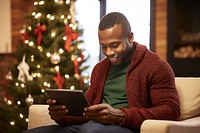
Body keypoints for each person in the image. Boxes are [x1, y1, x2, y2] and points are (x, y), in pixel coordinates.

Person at [23, 12, 180, 133]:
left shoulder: (155, 66)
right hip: (90, 127)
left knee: (90, 131)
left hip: (125, 128)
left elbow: (171, 110)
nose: (109, 52)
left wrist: (121, 115)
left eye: (115, 45)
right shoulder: (100, 68)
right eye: (103, 46)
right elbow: (86, 110)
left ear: (130, 37)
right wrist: (62, 116)